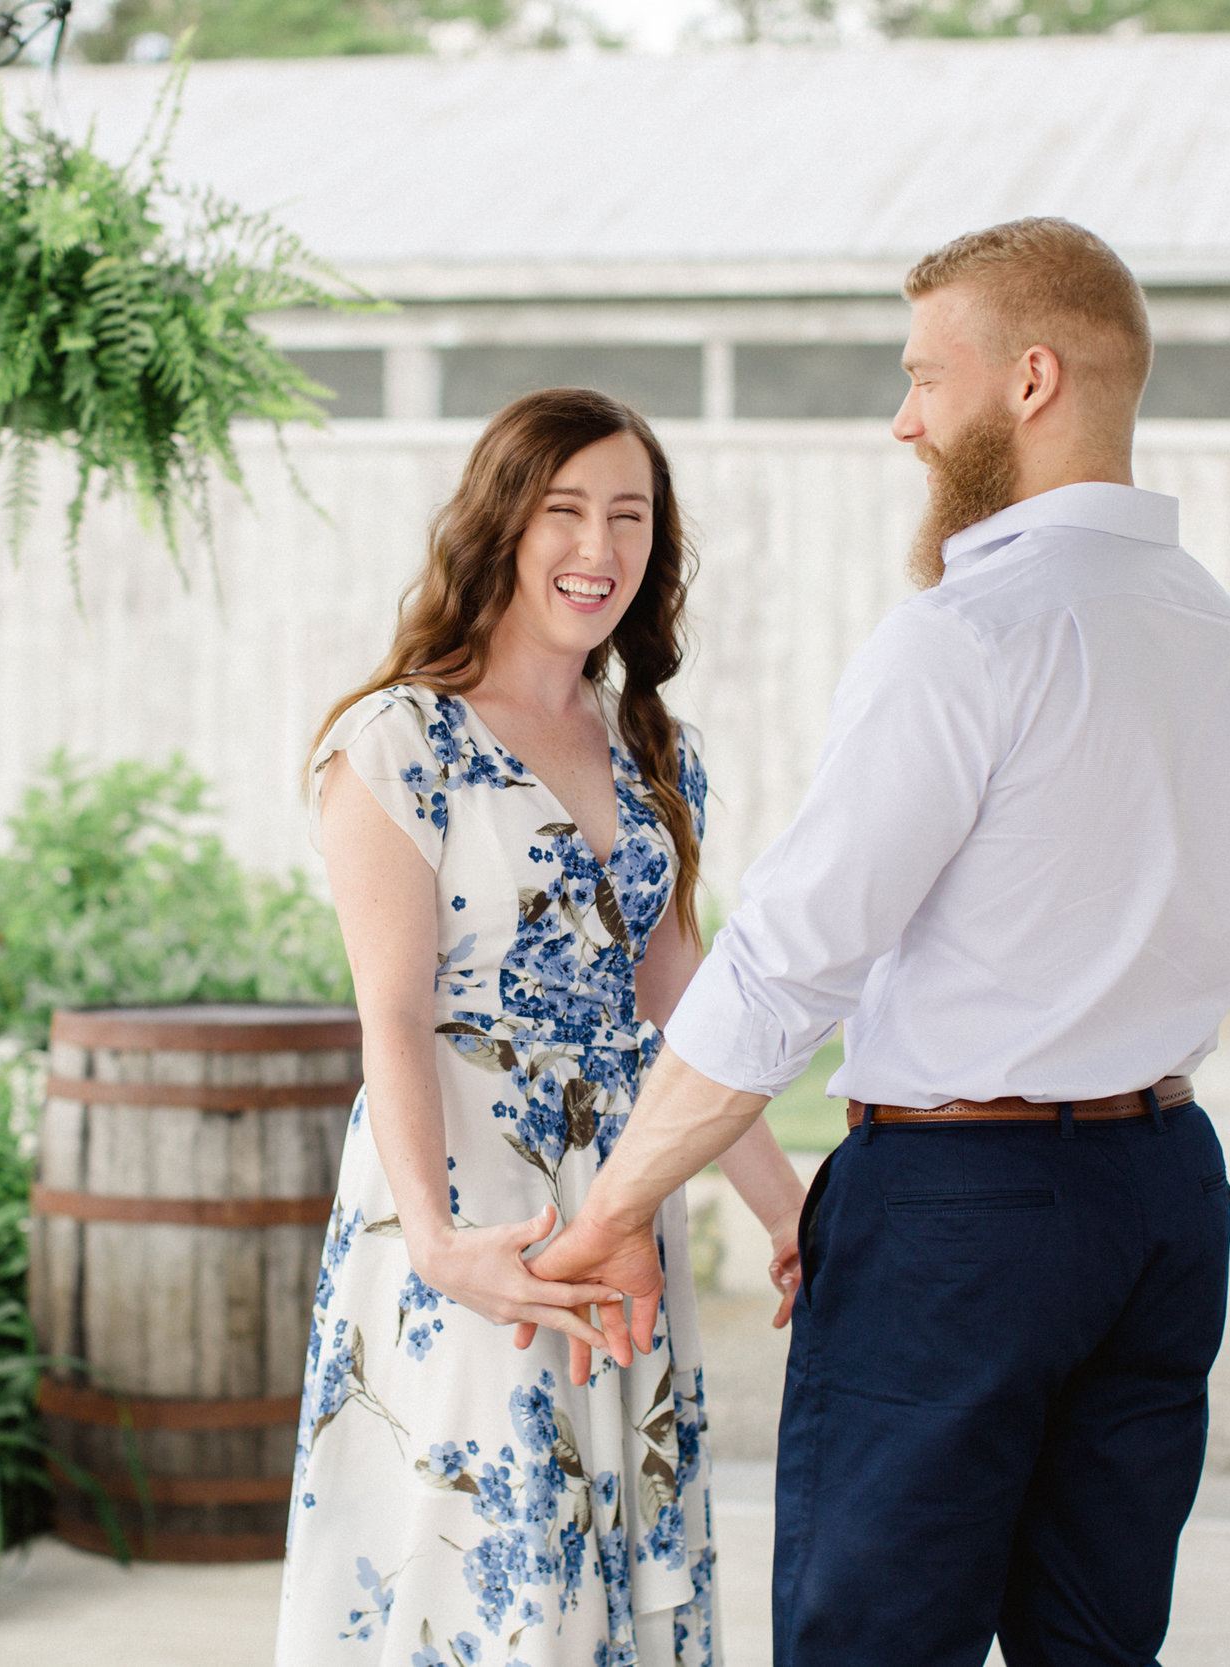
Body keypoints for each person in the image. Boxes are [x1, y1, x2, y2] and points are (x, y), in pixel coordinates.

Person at [528, 219, 1230, 1665]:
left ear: (1029, 379)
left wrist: (616, 1206)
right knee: (1097, 1643)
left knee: (873, 1642)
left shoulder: (969, 636)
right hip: (1166, 1198)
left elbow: (788, 961)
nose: (903, 420)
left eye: (922, 380)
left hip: (962, 1215)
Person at [277, 387, 808, 1667]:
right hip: (472, 1201)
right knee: (493, 1556)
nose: (599, 548)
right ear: (500, 525)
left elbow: (686, 1006)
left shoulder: (651, 747)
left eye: (629, 517)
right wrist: (442, 1238)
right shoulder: (399, 742)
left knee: (613, 1537)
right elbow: (392, 1020)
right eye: (565, 510)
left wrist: (787, 1207)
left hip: (623, 1193)